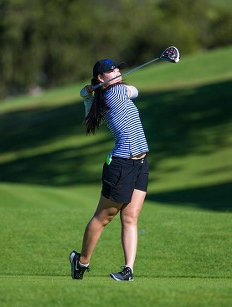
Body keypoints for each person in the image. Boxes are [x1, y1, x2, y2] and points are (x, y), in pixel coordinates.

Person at [70, 58, 149, 281]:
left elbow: (132, 90)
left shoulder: (107, 93)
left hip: (141, 162)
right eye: (110, 70)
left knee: (131, 217)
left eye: (117, 68)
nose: (117, 71)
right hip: (122, 164)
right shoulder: (113, 94)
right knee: (103, 218)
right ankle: (82, 261)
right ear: (100, 78)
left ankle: (128, 270)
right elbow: (134, 90)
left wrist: (86, 94)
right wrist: (89, 94)